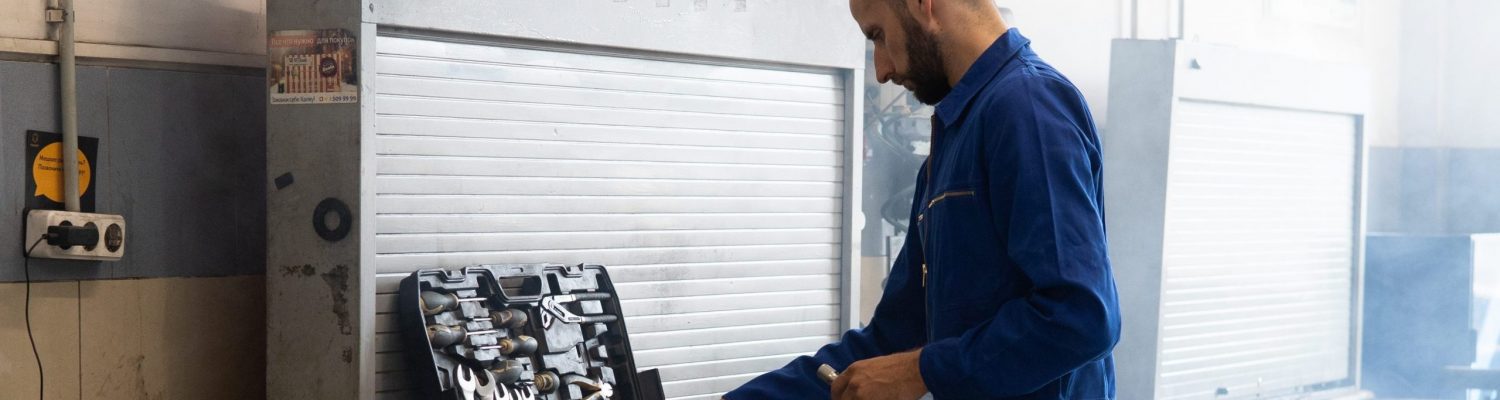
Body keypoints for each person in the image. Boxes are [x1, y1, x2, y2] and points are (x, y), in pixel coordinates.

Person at [723, 0, 1120, 398]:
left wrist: (921, 370)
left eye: (878, 35)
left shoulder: (1027, 106)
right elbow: (892, 339)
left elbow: (1081, 316)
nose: (882, 70)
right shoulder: (950, 146)